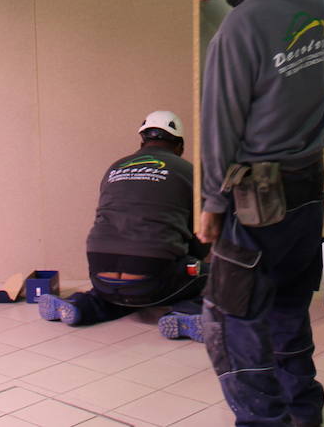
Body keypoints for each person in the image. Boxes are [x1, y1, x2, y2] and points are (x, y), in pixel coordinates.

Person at [187, 0, 324, 427]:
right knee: (289, 304)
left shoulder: (235, 34)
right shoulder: (314, 0)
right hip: (308, 185)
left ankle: (265, 422)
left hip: (257, 199)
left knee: (232, 318)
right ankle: (303, 412)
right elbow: (270, 3)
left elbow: (219, 127)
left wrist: (210, 204)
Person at [38, 110, 207, 339]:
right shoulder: (189, 172)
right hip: (151, 277)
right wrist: (192, 259)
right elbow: (202, 232)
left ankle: (82, 305)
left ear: (142, 141)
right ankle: (187, 313)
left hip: (100, 271)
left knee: (122, 291)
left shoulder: (115, 168)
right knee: (213, 273)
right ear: (180, 146)